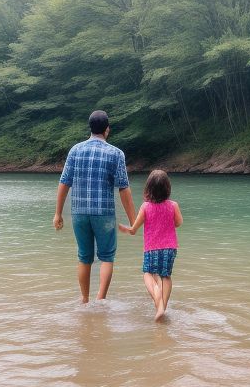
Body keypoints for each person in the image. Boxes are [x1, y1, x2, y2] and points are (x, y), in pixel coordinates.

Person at [53, 110, 136, 304]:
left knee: (84, 257)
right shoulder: (116, 154)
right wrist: (134, 221)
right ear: (107, 130)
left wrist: (58, 213)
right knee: (106, 257)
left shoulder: (75, 150)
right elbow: (124, 190)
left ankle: (84, 299)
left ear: (90, 128)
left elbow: (64, 182)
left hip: (79, 212)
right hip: (104, 213)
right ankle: (100, 299)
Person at [119, 169, 182, 321]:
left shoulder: (145, 207)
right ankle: (162, 308)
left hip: (152, 248)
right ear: (168, 188)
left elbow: (134, 229)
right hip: (170, 248)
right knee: (165, 276)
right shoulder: (173, 205)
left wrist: (125, 229)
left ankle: (157, 299)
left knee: (148, 274)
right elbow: (178, 223)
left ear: (148, 188)